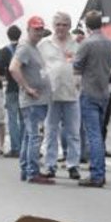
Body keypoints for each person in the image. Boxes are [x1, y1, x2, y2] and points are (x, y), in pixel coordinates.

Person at [73, 10, 111, 188]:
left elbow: (77, 66)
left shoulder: (86, 44)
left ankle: (97, 174)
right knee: (98, 133)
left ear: (86, 25)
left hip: (89, 91)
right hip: (104, 92)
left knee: (93, 135)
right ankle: (99, 172)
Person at [10, 16, 53, 185]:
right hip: (32, 100)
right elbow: (13, 68)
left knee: (30, 136)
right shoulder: (25, 47)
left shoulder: (34, 47)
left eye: (41, 29)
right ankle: (32, 171)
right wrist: (27, 88)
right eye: (35, 29)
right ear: (28, 29)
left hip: (39, 99)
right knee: (35, 136)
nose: (39, 32)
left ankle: (26, 168)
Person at [38, 12, 81, 180]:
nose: (61, 28)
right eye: (58, 24)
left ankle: (73, 165)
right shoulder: (44, 44)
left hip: (72, 93)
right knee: (50, 131)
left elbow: (82, 65)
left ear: (69, 26)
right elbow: (39, 66)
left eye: (64, 24)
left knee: (73, 132)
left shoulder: (77, 45)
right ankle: (50, 165)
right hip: (51, 94)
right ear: (53, 26)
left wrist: (79, 79)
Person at [2, 25, 23, 158]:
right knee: (24, 119)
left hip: (11, 87)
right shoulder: (23, 48)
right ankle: (24, 146)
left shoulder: (5, 50)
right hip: (24, 86)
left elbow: (2, 67)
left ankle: (15, 147)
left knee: (12, 119)